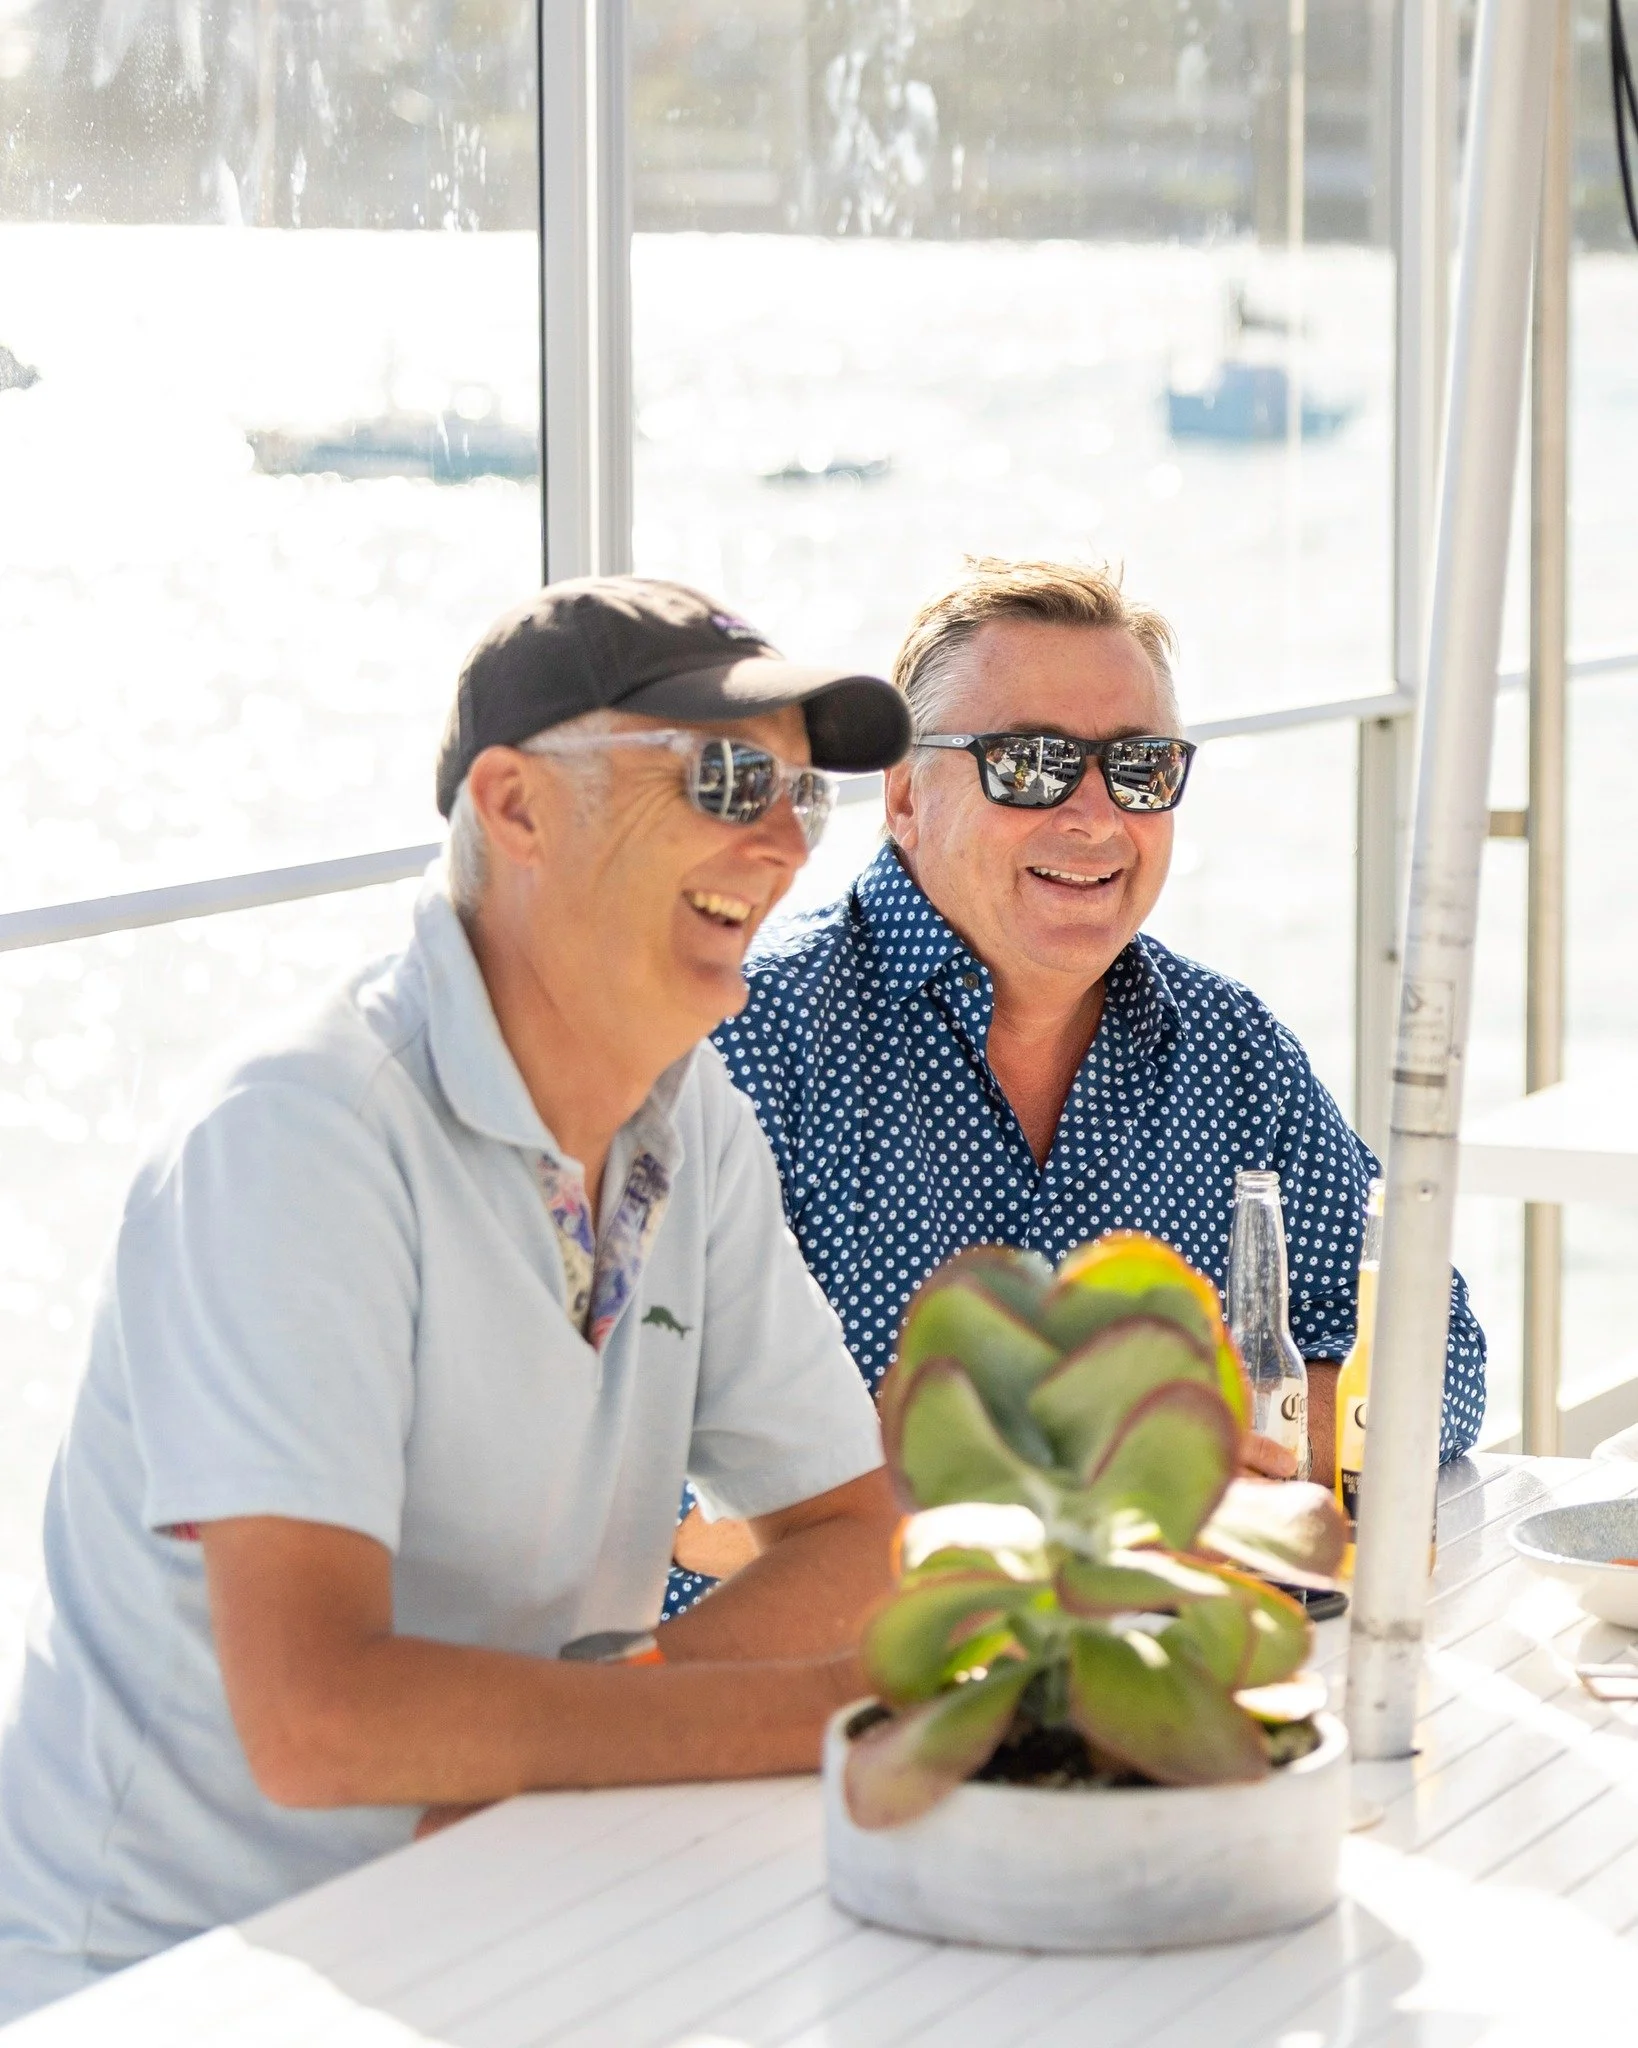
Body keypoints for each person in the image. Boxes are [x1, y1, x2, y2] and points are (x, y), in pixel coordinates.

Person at [0, 576, 910, 2020]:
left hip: (497, 1911)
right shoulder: (296, 1137)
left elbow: (849, 1535)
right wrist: (810, 1711)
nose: (782, 841)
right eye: (729, 776)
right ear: (515, 806)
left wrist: (575, 1740)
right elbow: (318, 1722)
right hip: (177, 1981)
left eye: (807, 797)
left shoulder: (695, 1117)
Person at [682, 557, 1486, 1605]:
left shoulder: (1229, 1049)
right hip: (805, 1705)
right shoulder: (748, 1041)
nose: (1098, 817)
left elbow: (1438, 1349)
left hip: (1148, 1667)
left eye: (1141, 768)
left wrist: (1184, 1455)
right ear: (904, 795)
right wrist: (1096, 1485)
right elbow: (652, 1491)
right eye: (1031, 764)